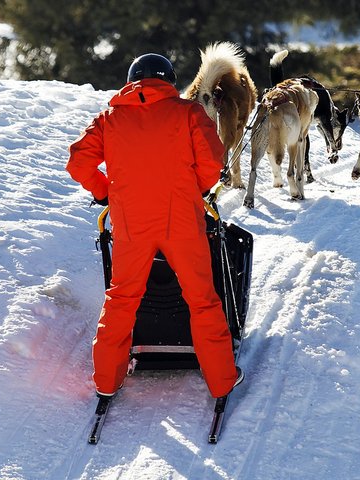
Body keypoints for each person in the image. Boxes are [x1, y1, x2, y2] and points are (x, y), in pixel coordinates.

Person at [66, 53, 243, 399]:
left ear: (131, 81)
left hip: (132, 223)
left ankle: (106, 381)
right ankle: (222, 380)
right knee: (202, 300)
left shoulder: (109, 119)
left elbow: (78, 163)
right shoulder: (188, 112)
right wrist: (196, 189)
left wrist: (107, 194)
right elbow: (211, 160)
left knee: (121, 299)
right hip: (181, 220)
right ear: (169, 81)